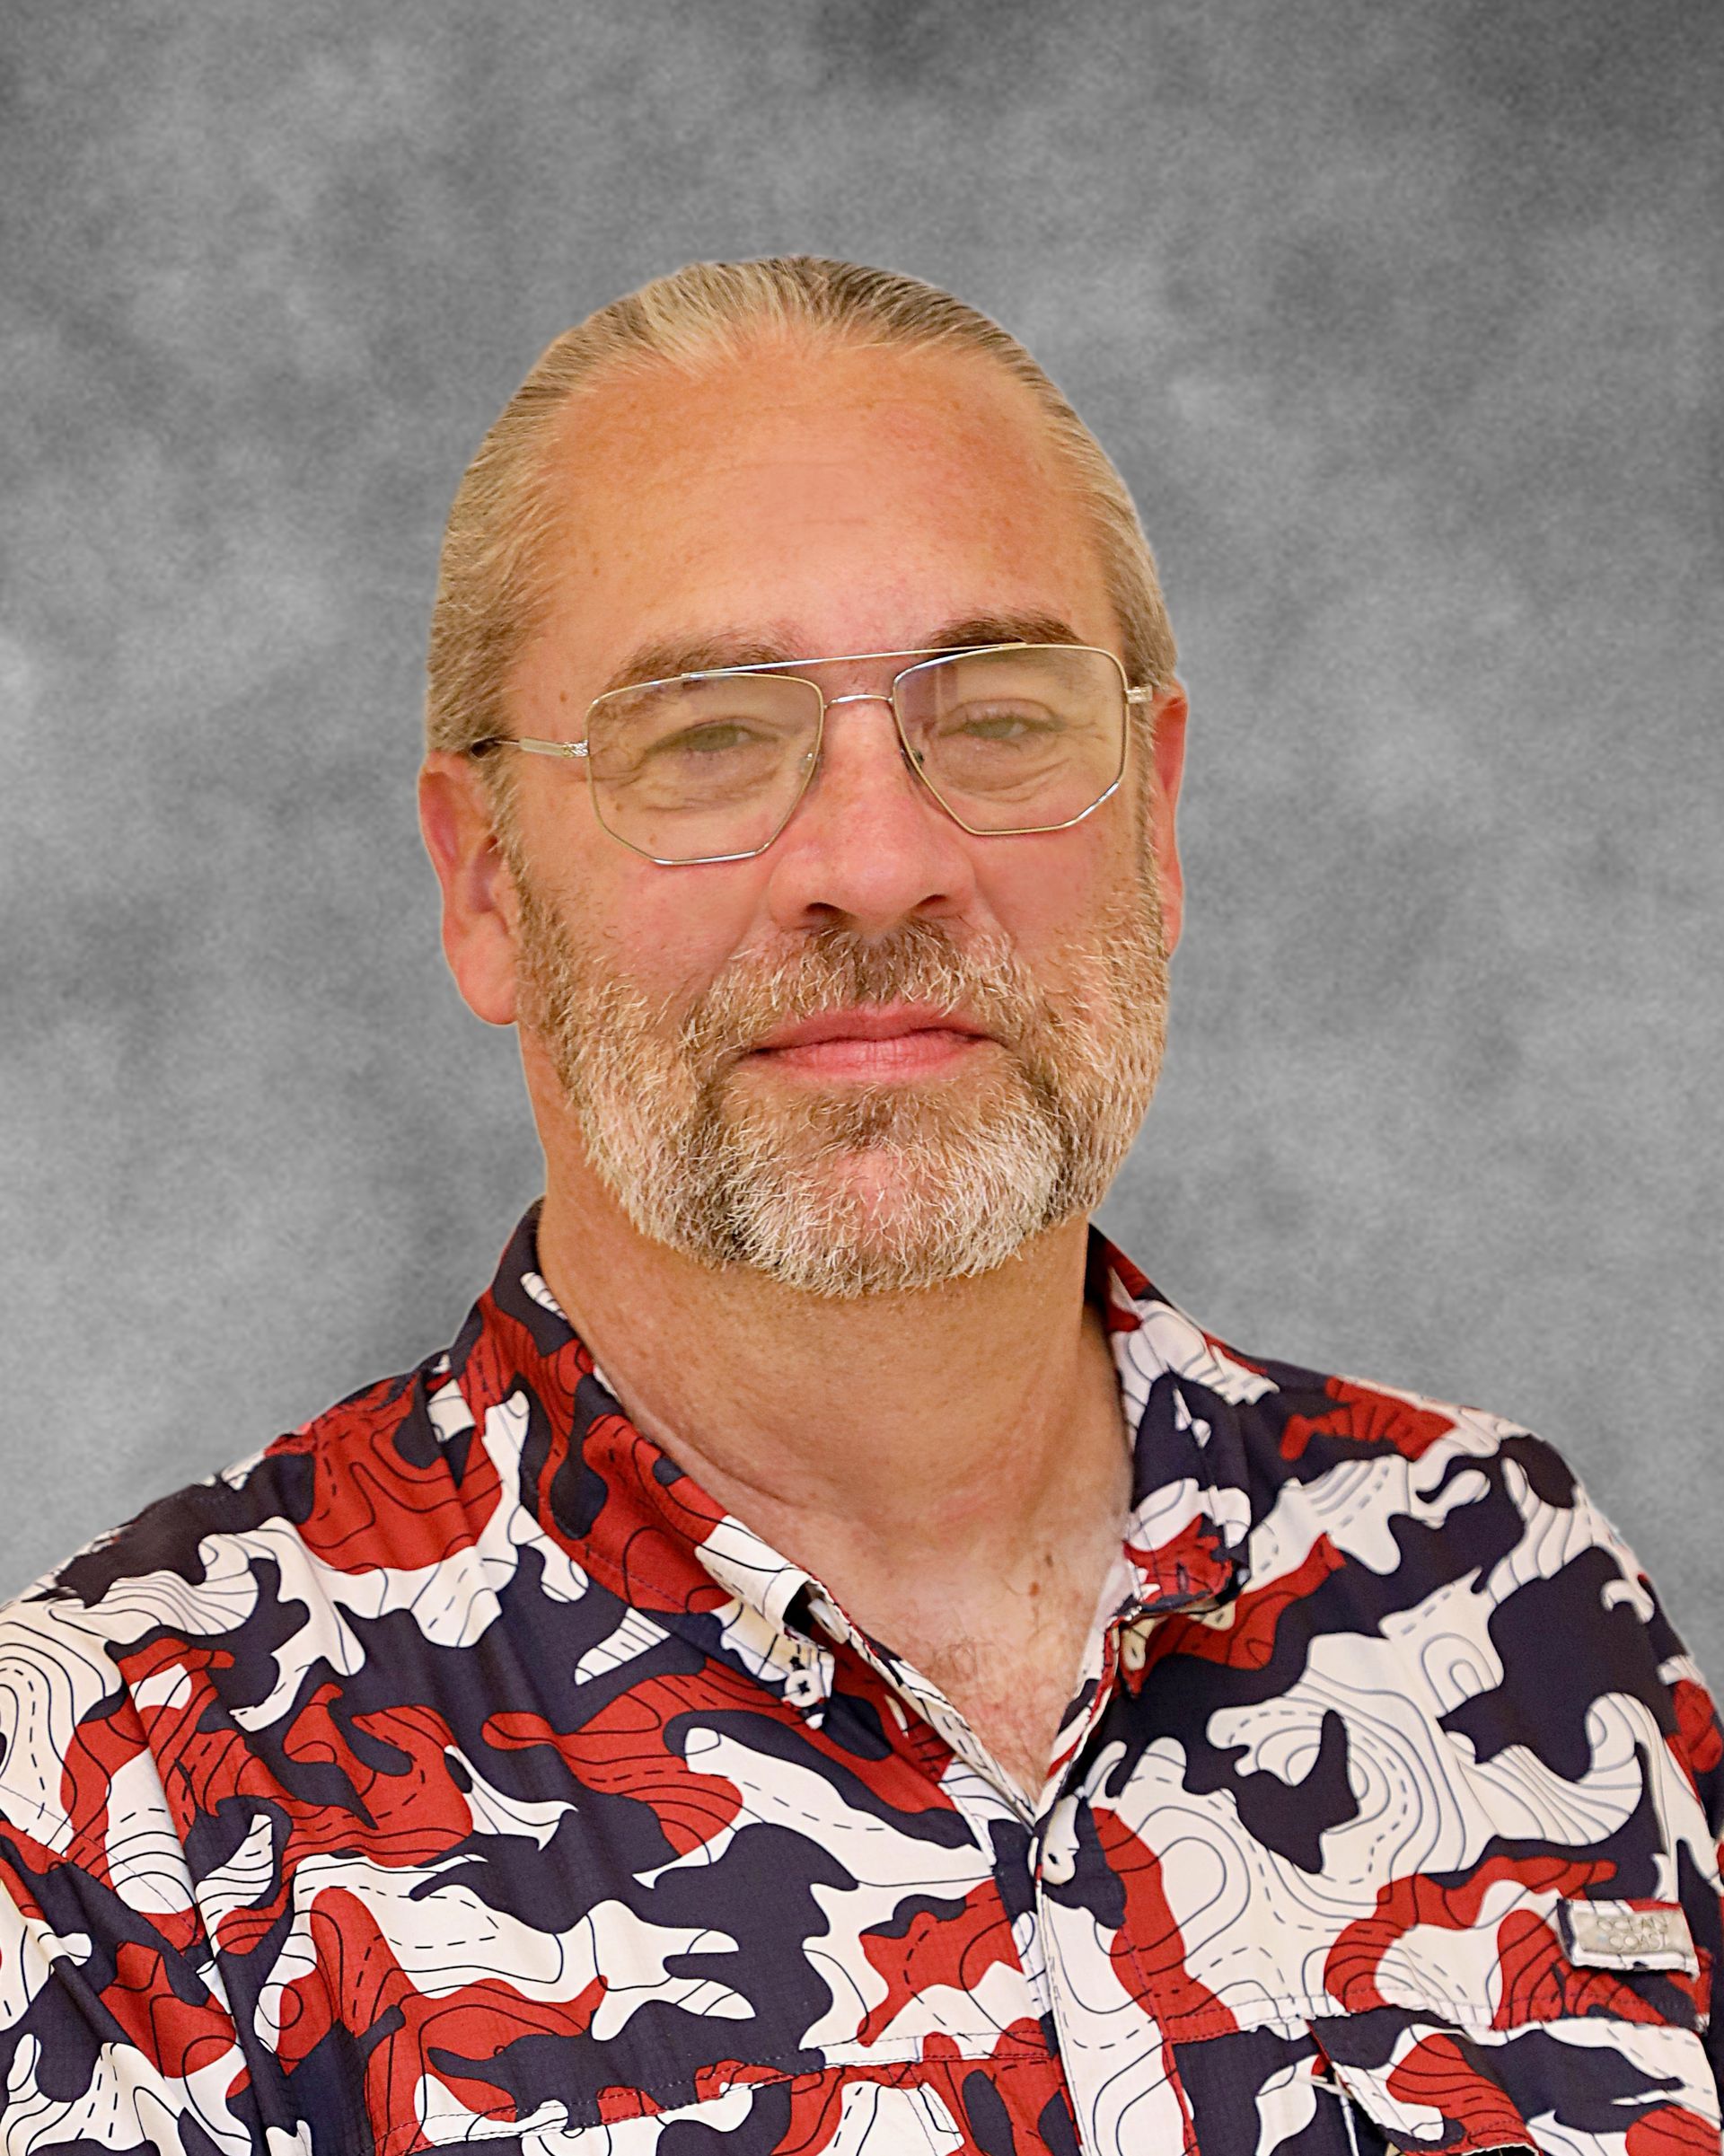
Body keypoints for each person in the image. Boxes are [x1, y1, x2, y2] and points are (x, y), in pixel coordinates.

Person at [0, 257, 1717, 2156]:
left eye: (996, 716)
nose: (879, 860)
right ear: (486, 881)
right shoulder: (126, 1799)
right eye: (712, 736)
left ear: (1153, 815)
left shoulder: (1514, 1586)